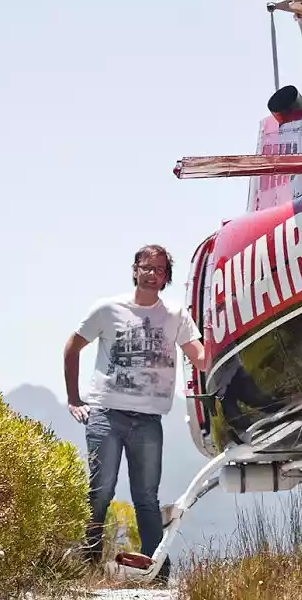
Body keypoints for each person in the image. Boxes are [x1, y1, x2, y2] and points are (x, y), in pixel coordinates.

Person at [63, 244, 206, 579]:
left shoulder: (175, 315)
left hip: (148, 420)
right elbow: (72, 347)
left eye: (159, 269)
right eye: (146, 267)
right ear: (135, 270)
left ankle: (156, 570)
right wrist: (74, 399)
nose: (152, 274)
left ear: (166, 277)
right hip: (106, 414)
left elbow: (199, 357)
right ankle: (89, 563)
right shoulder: (108, 309)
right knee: (101, 491)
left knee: (146, 496)